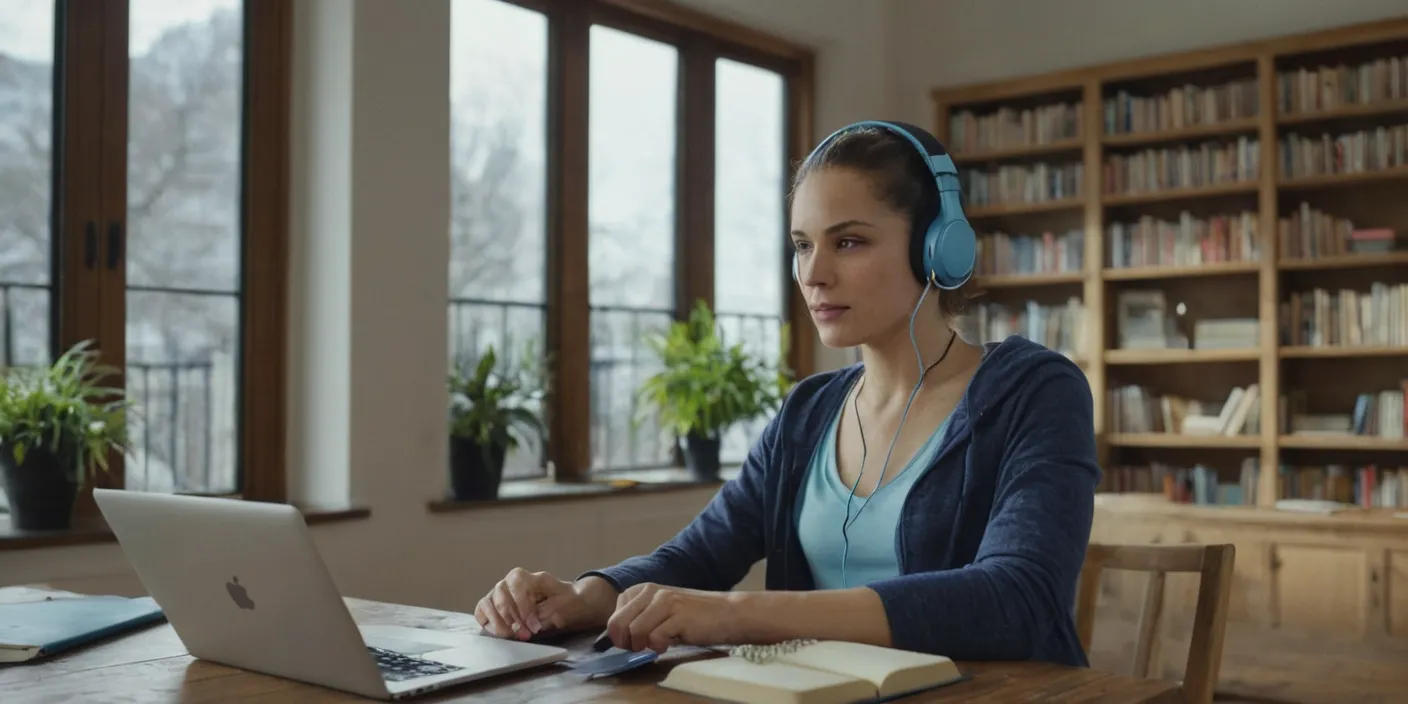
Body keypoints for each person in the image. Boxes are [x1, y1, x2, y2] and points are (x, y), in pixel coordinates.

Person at [473, 120, 1101, 668]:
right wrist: (588, 595)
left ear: (939, 246)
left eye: (848, 241)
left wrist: (741, 614)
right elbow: (699, 557)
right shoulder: (809, 411)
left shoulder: (1034, 390)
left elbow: (1019, 597)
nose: (813, 273)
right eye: (803, 245)